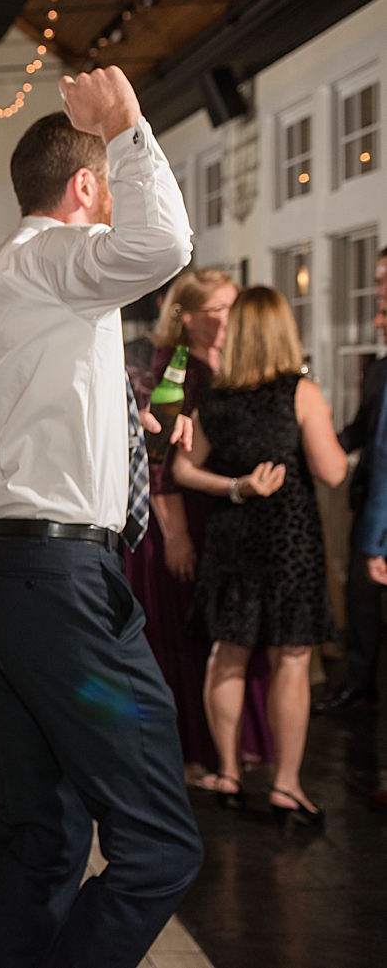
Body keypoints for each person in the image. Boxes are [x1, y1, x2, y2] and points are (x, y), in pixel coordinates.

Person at [0, 68, 203, 968]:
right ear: (86, 189)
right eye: (106, 188)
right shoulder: (57, 258)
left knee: (40, 835)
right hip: (51, 585)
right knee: (160, 846)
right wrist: (128, 122)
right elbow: (166, 242)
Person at [173, 286, 346, 827]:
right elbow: (333, 471)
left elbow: (181, 471)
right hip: (290, 539)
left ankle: (226, 773)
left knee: (227, 652)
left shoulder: (216, 399)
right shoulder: (302, 393)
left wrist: (236, 487)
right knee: (290, 660)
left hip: (231, 535)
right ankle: (286, 786)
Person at [126, 270, 275, 793]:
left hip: (220, 516)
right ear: (185, 316)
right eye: (216, 308)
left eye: (233, 307)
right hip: (180, 518)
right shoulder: (178, 369)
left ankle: (230, 746)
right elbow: (160, 460)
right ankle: (191, 752)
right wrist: (176, 534)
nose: (227, 317)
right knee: (183, 639)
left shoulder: (231, 365)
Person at [317, 244, 387, 714]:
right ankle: (359, 688)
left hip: (380, 522)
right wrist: (314, 443)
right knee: (362, 610)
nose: (378, 294)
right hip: (369, 508)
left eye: (385, 281)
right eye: (378, 280)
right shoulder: (379, 369)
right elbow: (363, 432)